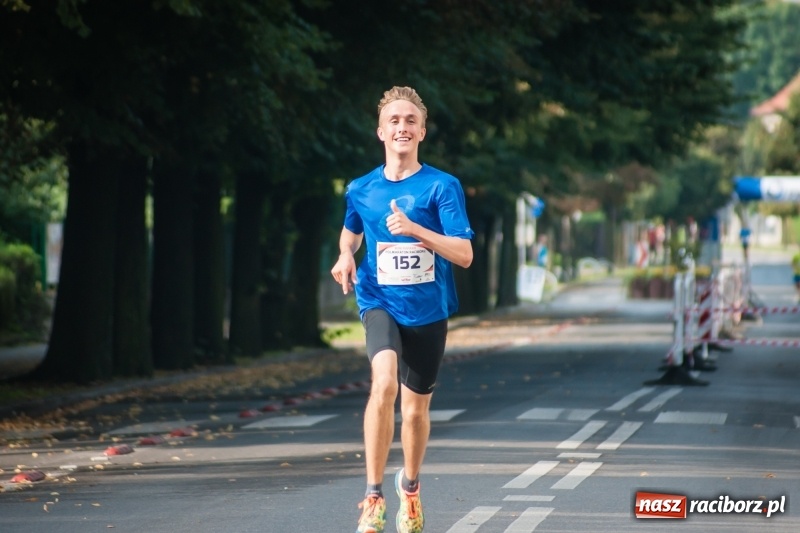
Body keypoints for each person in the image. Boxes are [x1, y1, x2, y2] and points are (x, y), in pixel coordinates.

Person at [330, 86, 474, 533]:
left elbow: (465, 254)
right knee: (383, 383)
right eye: (394, 120)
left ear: (422, 132)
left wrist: (416, 230)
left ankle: (409, 490)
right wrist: (345, 255)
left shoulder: (441, 186)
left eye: (410, 121)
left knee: (414, 411)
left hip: (428, 309)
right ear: (381, 132)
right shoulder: (361, 189)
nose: (402, 127)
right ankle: (373, 498)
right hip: (378, 300)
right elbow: (350, 231)